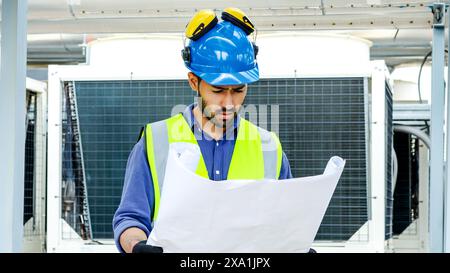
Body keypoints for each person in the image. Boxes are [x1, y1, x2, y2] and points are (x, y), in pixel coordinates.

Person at [112, 7, 294, 253]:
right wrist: (137, 246)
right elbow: (130, 219)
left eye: (239, 90)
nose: (229, 102)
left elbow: (285, 222)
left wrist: (296, 245)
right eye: (218, 90)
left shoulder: (269, 147)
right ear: (193, 82)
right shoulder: (155, 141)